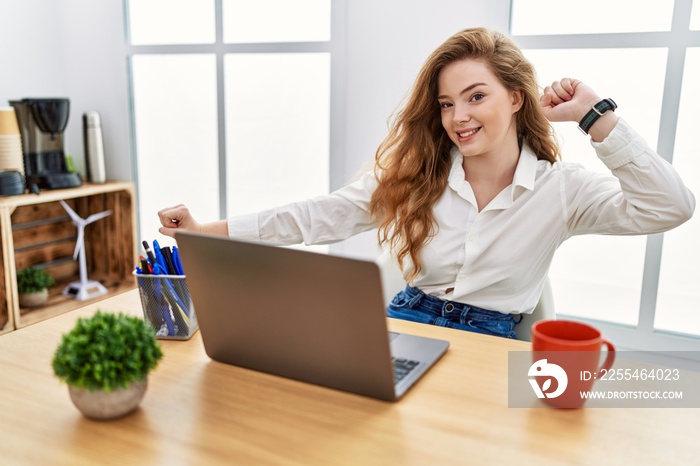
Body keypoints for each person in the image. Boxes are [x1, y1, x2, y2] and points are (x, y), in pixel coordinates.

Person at [158, 27, 695, 339]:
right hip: (406, 322)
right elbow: (319, 216)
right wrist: (208, 231)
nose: (458, 116)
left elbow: (669, 207)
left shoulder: (564, 190)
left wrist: (594, 115)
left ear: (515, 97)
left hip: (494, 341)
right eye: (446, 103)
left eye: (476, 96)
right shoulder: (419, 176)